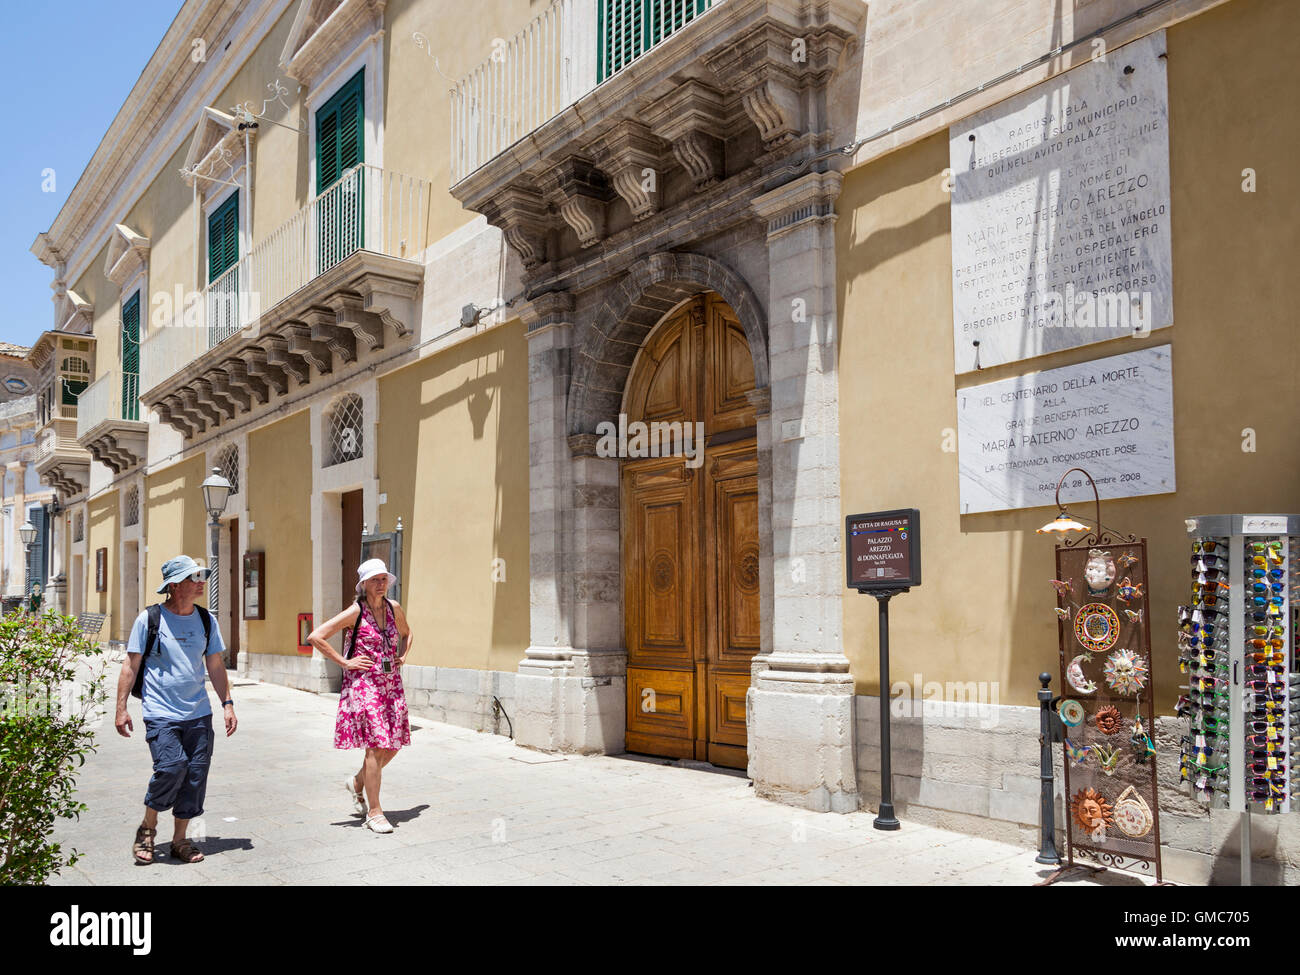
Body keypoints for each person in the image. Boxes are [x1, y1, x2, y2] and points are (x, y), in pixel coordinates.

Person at [113, 555, 236, 864]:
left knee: (195, 776)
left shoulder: (206, 620)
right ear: (175, 585)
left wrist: (227, 704)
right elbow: (131, 665)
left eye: (201, 576)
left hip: (198, 712)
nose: (201, 582)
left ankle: (180, 840)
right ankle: (148, 827)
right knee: (171, 767)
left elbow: (215, 665)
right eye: (194, 577)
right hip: (160, 712)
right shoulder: (150, 619)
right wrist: (121, 708)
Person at [309, 558, 412, 834]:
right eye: (375, 579)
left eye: (384, 579)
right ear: (363, 584)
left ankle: (357, 782)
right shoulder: (355, 611)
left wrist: (402, 655)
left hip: (391, 685)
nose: (380, 584)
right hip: (364, 685)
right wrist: (345, 662)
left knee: (393, 744)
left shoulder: (394, 608)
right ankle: (374, 812)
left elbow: (407, 633)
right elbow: (316, 636)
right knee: (376, 744)